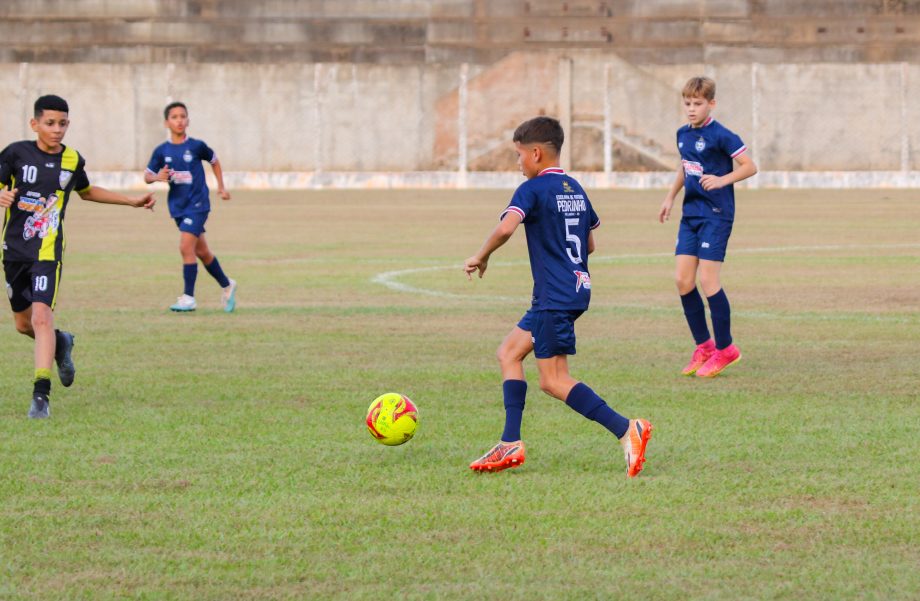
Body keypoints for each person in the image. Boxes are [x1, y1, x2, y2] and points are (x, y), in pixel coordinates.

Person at [463, 116, 653, 478]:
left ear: (535, 153)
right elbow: (590, 243)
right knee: (509, 352)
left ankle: (627, 428)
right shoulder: (576, 188)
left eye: (519, 155)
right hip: (574, 289)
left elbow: (506, 227)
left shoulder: (532, 190)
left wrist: (481, 255)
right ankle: (510, 442)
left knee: (552, 379)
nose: (518, 163)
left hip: (554, 296)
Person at [0, 94, 156, 419]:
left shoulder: (72, 160)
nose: (57, 130)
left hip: (47, 251)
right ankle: (61, 342)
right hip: (14, 251)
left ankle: (40, 397)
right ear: (35, 124)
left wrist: (130, 202)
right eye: (50, 123)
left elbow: (86, 191)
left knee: (42, 317)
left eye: (62, 124)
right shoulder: (15, 154)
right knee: (23, 325)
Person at [659, 76, 758, 378]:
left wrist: (722, 180)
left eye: (697, 104)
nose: (691, 109)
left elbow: (749, 166)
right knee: (682, 280)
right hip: (691, 215)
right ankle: (704, 346)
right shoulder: (682, 134)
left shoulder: (722, 135)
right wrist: (670, 197)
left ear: (711, 104)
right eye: (687, 103)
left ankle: (726, 349)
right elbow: (685, 166)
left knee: (708, 280)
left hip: (716, 214)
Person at [144, 101, 236, 313]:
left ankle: (188, 297)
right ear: (167, 122)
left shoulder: (196, 146)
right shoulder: (162, 151)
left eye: (183, 116)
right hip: (178, 207)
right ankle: (227, 285)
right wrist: (158, 176)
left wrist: (221, 187)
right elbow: (147, 176)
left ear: (188, 120)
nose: (179, 120)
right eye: (174, 117)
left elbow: (214, 160)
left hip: (198, 204)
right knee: (202, 252)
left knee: (186, 247)